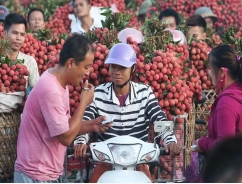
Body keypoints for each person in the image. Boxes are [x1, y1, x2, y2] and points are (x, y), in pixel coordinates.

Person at [74, 43, 181, 183]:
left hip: (138, 163)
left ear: (133, 69)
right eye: (113, 66)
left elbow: (159, 118)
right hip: (106, 163)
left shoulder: (144, 93)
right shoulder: (98, 94)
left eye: (122, 67)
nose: (116, 71)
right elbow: (86, 121)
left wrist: (170, 141)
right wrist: (81, 142)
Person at [14, 34, 112, 183]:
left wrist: (93, 125)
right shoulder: (51, 90)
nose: (88, 73)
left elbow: (65, 126)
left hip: (45, 173)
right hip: (35, 175)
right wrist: (83, 103)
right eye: (86, 67)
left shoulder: (59, 81)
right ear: (71, 63)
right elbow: (66, 137)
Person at [192, 45, 242, 153]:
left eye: (211, 69)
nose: (209, 73)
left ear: (222, 73)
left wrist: (202, 143)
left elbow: (224, 146)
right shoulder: (238, 93)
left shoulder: (226, 103)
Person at [4, 13, 39, 89]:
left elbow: (36, 92)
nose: (19, 38)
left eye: (22, 34)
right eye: (15, 33)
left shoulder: (29, 62)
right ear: (5, 34)